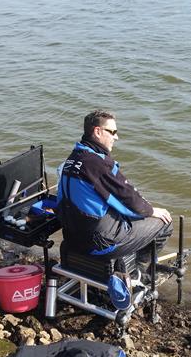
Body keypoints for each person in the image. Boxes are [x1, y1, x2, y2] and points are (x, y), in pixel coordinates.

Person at [55, 110, 173, 274]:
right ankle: (140, 272)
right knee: (165, 223)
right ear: (98, 131)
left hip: (72, 238)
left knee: (125, 216)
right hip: (98, 244)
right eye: (113, 132)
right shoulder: (98, 164)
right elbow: (129, 200)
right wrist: (152, 211)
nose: (116, 137)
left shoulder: (72, 159)